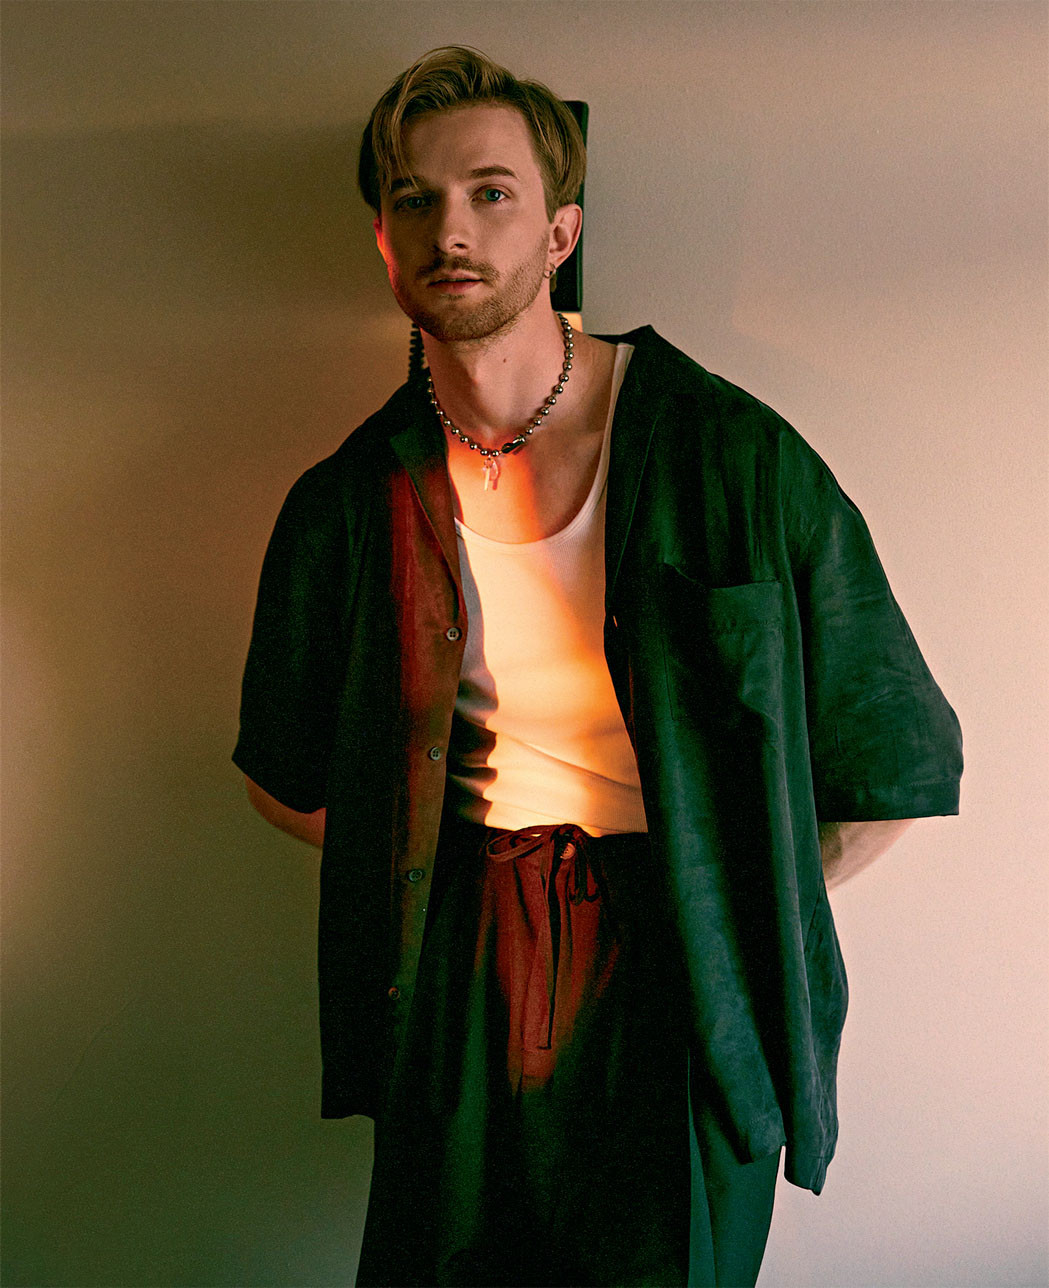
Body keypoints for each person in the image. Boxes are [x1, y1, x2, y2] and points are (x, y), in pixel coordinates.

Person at [233, 46, 962, 1288]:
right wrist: (424, 880)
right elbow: (283, 774)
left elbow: (894, 758)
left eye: (490, 192)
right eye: (414, 197)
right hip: (463, 950)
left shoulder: (731, 458)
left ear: (559, 231)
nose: (450, 228)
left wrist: (737, 902)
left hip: (684, 965)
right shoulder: (348, 501)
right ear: (384, 242)